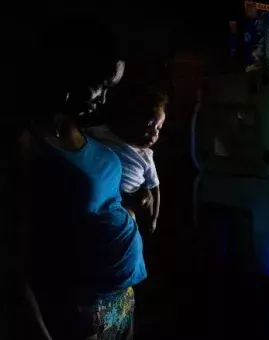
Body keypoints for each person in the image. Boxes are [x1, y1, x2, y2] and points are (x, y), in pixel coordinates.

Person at [14, 17, 146, 340]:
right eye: (101, 84)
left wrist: (128, 209)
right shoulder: (26, 145)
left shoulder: (80, 126)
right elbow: (13, 259)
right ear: (72, 73)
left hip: (122, 294)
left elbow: (91, 201)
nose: (103, 98)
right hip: (81, 306)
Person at [86, 84, 167, 235]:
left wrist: (154, 218)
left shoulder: (146, 156)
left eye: (159, 128)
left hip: (129, 198)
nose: (154, 134)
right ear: (130, 120)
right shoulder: (103, 133)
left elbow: (155, 187)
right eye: (148, 126)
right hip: (103, 193)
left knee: (131, 217)